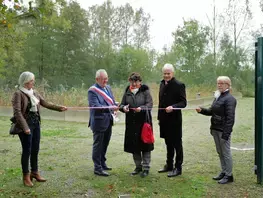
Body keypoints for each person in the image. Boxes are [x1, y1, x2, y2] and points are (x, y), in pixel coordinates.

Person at [12, 71, 67, 187]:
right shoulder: (18, 94)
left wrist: (59, 108)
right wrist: (25, 127)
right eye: (32, 80)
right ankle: (26, 176)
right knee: (27, 150)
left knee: (35, 149)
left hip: (36, 123)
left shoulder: (34, 92)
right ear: (25, 81)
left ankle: (34, 173)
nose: (33, 82)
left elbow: (45, 103)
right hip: (25, 126)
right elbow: (17, 112)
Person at [196, 76, 236, 184]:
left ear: (227, 85)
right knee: (220, 152)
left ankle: (229, 175)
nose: (219, 85)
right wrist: (201, 110)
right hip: (215, 129)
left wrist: (226, 134)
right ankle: (224, 171)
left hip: (223, 131)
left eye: (222, 83)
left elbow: (230, 119)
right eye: (218, 83)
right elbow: (211, 112)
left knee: (226, 153)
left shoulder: (230, 99)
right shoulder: (218, 97)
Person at [119, 72, 154, 178]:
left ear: (140, 81)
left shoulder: (145, 91)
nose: (134, 83)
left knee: (145, 146)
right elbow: (121, 104)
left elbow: (150, 104)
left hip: (144, 123)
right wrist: (123, 108)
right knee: (135, 146)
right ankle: (138, 167)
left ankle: (146, 168)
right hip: (131, 123)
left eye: (136, 81)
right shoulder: (127, 91)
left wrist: (142, 108)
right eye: (132, 81)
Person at [157, 63, 187, 177]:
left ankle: (178, 168)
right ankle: (169, 165)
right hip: (164, 120)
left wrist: (173, 107)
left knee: (177, 144)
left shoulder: (179, 85)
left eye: (168, 73)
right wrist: (159, 118)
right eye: (164, 73)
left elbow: (183, 103)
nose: (166, 75)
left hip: (174, 121)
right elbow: (161, 102)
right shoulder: (161, 84)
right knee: (168, 143)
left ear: (172, 73)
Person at [88, 69, 118, 177]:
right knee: (98, 145)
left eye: (106, 78)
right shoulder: (92, 91)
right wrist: (111, 107)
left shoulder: (108, 88)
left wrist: (118, 105)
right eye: (103, 79)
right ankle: (97, 168)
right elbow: (96, 106)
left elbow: (112, 101)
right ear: (97, 79)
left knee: (105, 143)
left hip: (108, 120)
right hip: (99, 122)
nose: (105, 81)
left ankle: (102, 163)